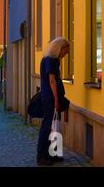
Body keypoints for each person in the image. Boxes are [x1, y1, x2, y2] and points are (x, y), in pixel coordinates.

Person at [36, 37, 70, 166]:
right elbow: (52, 81)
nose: (65, 54)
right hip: (50, 98)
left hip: (52, 97)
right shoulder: (50, 60)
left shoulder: (52, 60)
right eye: (65, 51)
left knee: (55, 126)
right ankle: (42, 156)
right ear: (59, 48)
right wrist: (56, 99)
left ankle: (54, 153)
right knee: (47, 127)